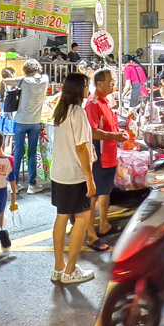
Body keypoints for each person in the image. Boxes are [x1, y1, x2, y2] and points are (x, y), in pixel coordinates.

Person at [49, 72, 97, 284]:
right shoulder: (78, 112)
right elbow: (81, 148)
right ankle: (70, 271)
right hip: (75, 175)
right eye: (86, 86)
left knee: (61, 216)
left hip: (59, 172)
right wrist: (89, 177)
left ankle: (58, 268)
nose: (88, 90)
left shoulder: (61, 111)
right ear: (79, 89)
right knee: (82, 219)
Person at [85, 68, 124, 245]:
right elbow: (93, 132)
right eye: (110, 82)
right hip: (99, 155)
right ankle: (90, 232)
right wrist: (114, 136)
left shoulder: (105, 101)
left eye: (113, 81)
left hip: (109, 153)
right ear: (99, 83)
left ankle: (104, 225)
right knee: (94, 195)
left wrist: (116, 133)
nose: (112, 84)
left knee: (105, 191)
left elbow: (108, 126)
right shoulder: (93, 103)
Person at [14, 59, 49, 194]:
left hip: (20, 120)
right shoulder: (45, 79)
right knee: (32, 153)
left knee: (18, 152)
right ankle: (32, 184)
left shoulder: (24, 81)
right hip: (35, 121)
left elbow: (7, 81)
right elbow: (41, 76)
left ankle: (14, 183)